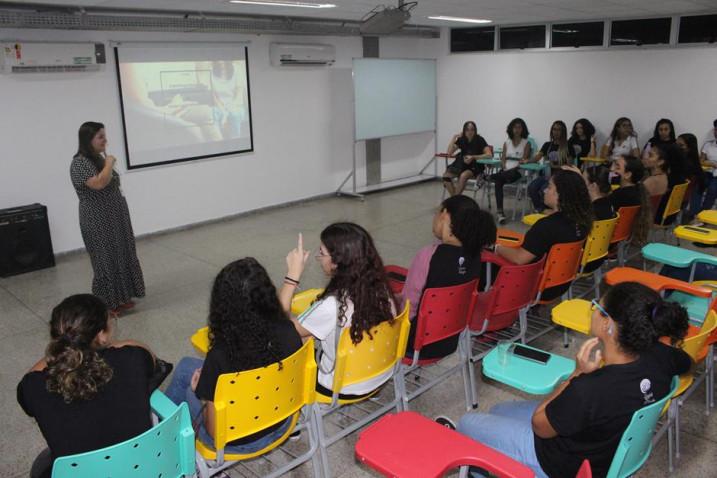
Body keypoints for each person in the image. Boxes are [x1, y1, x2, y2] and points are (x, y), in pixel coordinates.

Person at [454, 282, 691, 478]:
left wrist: (577, 374)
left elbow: (540, 426)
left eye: (596, 307)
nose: (593, 309)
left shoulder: (591, 388)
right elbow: (687, 362)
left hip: (560, 464)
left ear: (608, 324)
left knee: (467, 423)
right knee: (498, 409)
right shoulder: (664, 357)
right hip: (605, 452)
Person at [165, 258, 302, 452]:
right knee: (187, 364)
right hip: (282, 422)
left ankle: (162, 437)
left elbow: (214, 431)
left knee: (189, 391)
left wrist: (201, 396)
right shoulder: (288, 331)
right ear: (268, 294)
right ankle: (163, 433)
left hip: (236, 441)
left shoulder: (221, 355)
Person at [17, 294, 158, 478]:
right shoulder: (133, 357)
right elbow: (151, 359)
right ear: (101, 334)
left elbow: (29, 381)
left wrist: (62, 353)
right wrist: (102, 345)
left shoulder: (33, 386)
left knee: (42, 464)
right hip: (144, 469)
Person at [284, 223, 397, 399]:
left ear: (337, 262)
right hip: (379, 372)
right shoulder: (381, 289)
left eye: (321, 252)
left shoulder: (332, 305)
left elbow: (282, 329)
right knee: (311, 333)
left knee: (287, 341)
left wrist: (292, 277)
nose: (319, 257)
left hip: (341, 386)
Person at [401, 196, 497, 359]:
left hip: (414, 342)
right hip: (450, 338)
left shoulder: (428, 255)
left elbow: (407, 307)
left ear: (445, 215)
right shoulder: (476, 256)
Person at [70, 122, 145, 315]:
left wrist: (106, 162)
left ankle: (122, 297)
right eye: (100, 137)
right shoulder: (79, 162)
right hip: (97, 218)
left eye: (105, 136)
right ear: (88, 140)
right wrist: (110, 162)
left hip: (115, 215)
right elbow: (99, 183)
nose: (105, 140)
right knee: (105, 258)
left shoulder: (97, 159)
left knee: (122, 253)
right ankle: (106, 304)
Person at [496, 170, 593, 301]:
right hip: (562, 283)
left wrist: (496, 248)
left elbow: (520, 259)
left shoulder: (546, 226)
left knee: (486, 262)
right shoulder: (582, 223)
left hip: (534, 286)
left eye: (550, 187)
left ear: (560, 195)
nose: (545, 190)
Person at [490, 118, 533, 224]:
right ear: (511, 129)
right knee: (499, 181)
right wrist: (504, 166)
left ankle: (487, 177)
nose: (517, 130)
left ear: (523, 129)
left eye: (519, 127)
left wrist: (510, 169)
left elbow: (523, 161)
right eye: (515, 127)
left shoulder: (526, 143)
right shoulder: (507, 142)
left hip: (518, 172)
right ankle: (500, 213)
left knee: (499, 177)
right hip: (505, 171)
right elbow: (503, 159)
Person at [527, 121, 577, 212]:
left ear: (563, 132)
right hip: (547, 175)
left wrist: (554, 165)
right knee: (531, 187)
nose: (556, 132)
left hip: (561, 177)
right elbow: (537, 157)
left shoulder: (568, 146)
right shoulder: (547, 145)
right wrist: (527, 160)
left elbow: (569, 165)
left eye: (559, 130)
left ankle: (548, 210)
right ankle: (540, 209)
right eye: (554, 129)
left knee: (544, 190)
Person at [608, 155, 651, 245]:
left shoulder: (619, 195)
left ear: (627, 175)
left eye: (617, 167)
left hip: (609, 238)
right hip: (624, 235)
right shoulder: (637, 191)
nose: (612, 170)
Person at [443, 121, 493, 196]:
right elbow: (449, 153)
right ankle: (455, 199)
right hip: (462, 165)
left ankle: (454, 201)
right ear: (464, 130)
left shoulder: (480, 139)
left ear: (475, 130)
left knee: (463, 176)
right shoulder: (462, 139)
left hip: (475, 166)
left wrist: (473, 157)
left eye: (472, 129)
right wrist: (454, 137)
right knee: (445, 176)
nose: (470, 132)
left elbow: (489, 155)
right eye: (467, 130)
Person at [644, 143, 688, 224]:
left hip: (650, 218)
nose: (645, 157)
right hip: (664, 217)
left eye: (650, 155)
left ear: (660, 162)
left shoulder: (652, 181)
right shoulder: (665, 177)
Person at [676, 133, 707, 220]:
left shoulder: (686, 164)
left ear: (689, 147)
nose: (677, 148)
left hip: (679, 199)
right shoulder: (692, 162)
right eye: (676, 144)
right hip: (682, 200)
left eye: (681, 145)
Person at [699, 119, 717, 211]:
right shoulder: (708, 145)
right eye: (716, 129)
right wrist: (711, 164)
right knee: (697, 185)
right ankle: (693, 212)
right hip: (707, 172)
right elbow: (701, 161)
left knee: (712, 189)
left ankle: (702, 213)